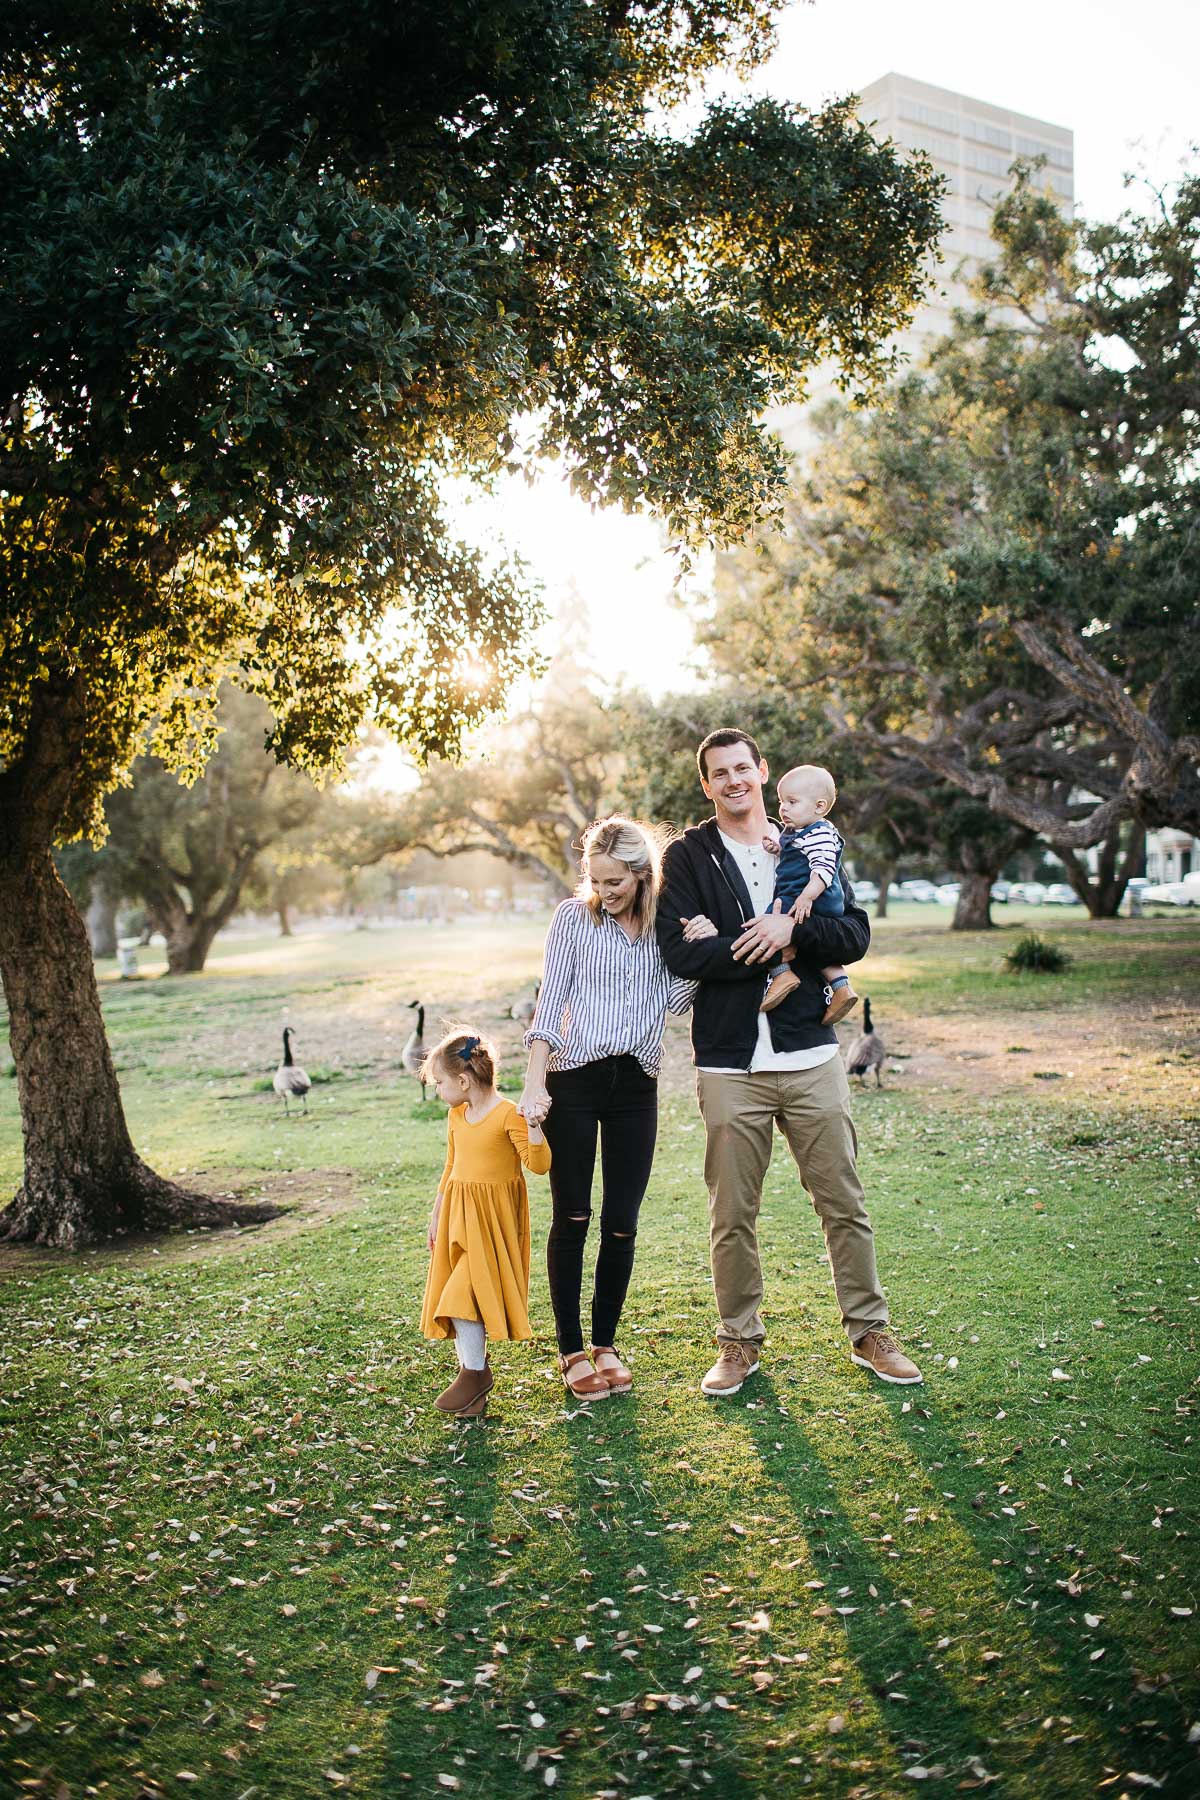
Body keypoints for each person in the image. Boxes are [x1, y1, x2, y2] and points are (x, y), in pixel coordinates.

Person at [656, 728, 923, 1396]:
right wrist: (752, 943)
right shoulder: (687, 857)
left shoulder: (805, 839)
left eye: (743, 768)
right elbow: (679, 953)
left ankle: (869, 1332)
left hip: (811, 1055)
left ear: (762, 771)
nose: (733, 781)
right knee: (732, 1216)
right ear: (707, 785)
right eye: (720, 773)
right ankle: (738, 1343)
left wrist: (790, 930)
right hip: (729, 1065)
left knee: (842, 1201)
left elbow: (854, 933)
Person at [520, 817, 698, 1401]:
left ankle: (605, 1343)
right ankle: (571, 1349)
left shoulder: (661, 924)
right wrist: (533, 1083)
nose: (605, 890)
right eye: (596, 879)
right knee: (572, 1217)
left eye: (616, 881)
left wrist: (698, 949)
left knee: (622, 1220)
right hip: (573, 1080)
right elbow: (552, 1002)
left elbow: (674, 1000)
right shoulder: (574, 918)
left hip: (635, 1086)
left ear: (643, 874)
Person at [420, 1029, 551, 1418]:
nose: (439, 1090)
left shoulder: (508, 1114)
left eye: (439, 1083)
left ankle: (474, 1374)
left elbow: (538, 1165)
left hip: (492, 1223)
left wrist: (534, 1124)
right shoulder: (457, 1115)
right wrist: (437, 1211)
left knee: (461, 1297)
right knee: (462, 1297)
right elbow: (451, 1165)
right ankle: (473, 1388)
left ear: (462, 1081)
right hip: (458, 1216)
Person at [758, 763, 858, 1023]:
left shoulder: (822, 834)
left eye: (792, 801)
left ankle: (781, 974)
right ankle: (841, 987)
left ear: (819, 807)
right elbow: (798, 854)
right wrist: (777, 848)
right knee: (814, 946)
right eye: (781, 802)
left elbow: (823, 869)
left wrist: (807, 897)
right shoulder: (799, 833)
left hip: (808, 897)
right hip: (812, 900)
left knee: (765, 928)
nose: (783, 808)